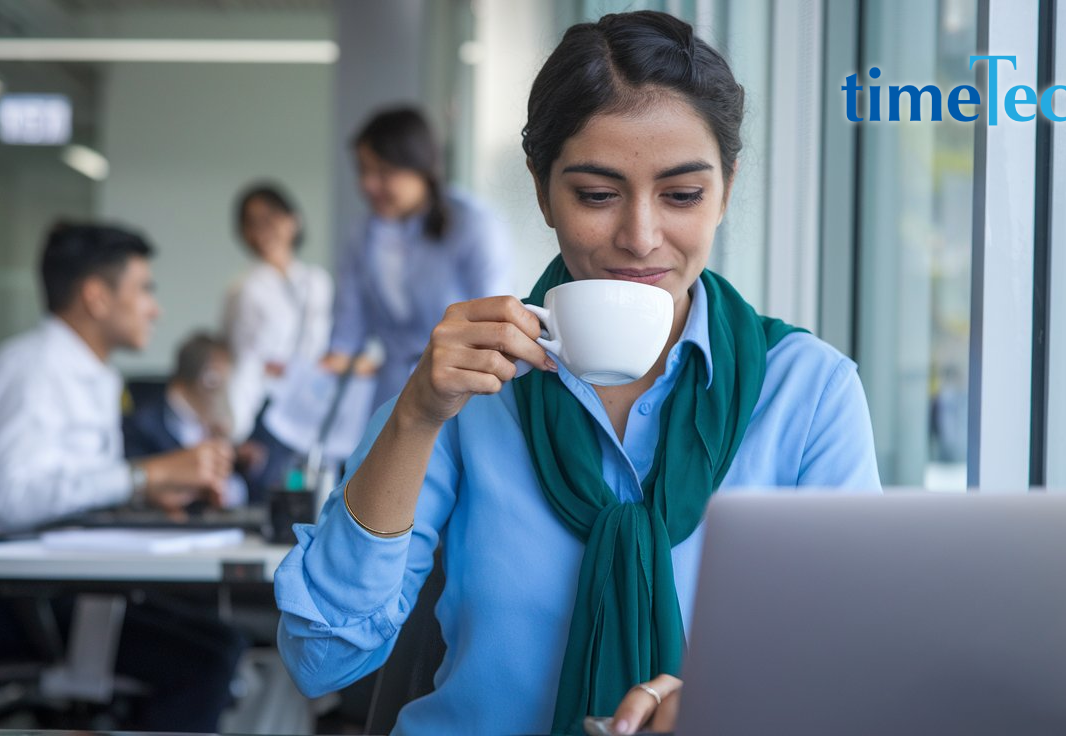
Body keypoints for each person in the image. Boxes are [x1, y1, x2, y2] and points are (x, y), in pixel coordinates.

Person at [274, 11, 881, 736]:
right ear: (542, 191)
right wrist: (415, 416)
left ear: (725, 189)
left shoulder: (807, 393)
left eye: (682, 195)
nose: (640, 236)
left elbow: (854, 671)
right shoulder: (465, 392)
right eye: (597, 195)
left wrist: (735, 706)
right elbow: (320, 656)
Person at [0, 222, 243, 732]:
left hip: (56, 589)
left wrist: (148, 495)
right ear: (97, 297)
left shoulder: (91, 374)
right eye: (144, 289)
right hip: (5, 602)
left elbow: (70, 486)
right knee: (205, 663)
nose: (155, 307)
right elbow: (13, 499)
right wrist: (141, 475)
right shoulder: (35, 370)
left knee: (222, 641)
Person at [324, 106, 512, 410]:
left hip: (464, 392)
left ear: (421, 168)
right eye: (363, 170)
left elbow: (495, 319)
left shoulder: (472, 223)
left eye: (383, 172)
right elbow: (348, 330)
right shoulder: (363, 234)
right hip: (390, 394)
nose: (368, 185)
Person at [223, 183, 334, 443]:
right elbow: (241, 360)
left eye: (270, 218)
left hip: (312, 403)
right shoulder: (244, 289)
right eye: (251, 223)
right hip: (263, 405)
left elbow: (326, 346)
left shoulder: (316, 281)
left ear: (293, 220)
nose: (262, 231)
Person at [124, 331, 260, 508]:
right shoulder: (143, 425)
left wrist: (236, 459)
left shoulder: (209, 426)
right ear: (208, 380)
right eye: (222, 380)